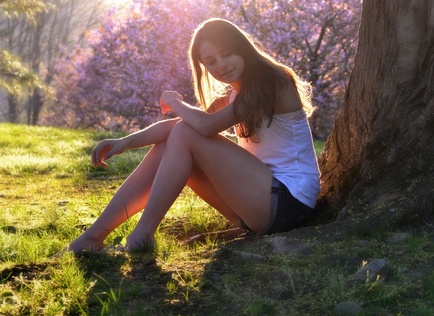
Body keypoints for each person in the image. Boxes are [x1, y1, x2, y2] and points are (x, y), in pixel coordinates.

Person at [64, 18, 320, 253]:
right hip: (256, 207)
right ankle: (94, 236)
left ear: (242, 48)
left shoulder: (273, 80)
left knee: (187, 133)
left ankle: (141, 236)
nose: (221, 65)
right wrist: (124, 142)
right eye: (210, 61)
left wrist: (173, 102)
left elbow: (203, 127)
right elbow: (182, 127)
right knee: (178, 138)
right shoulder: (233, 97)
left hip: (289, 203)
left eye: (227, 53)